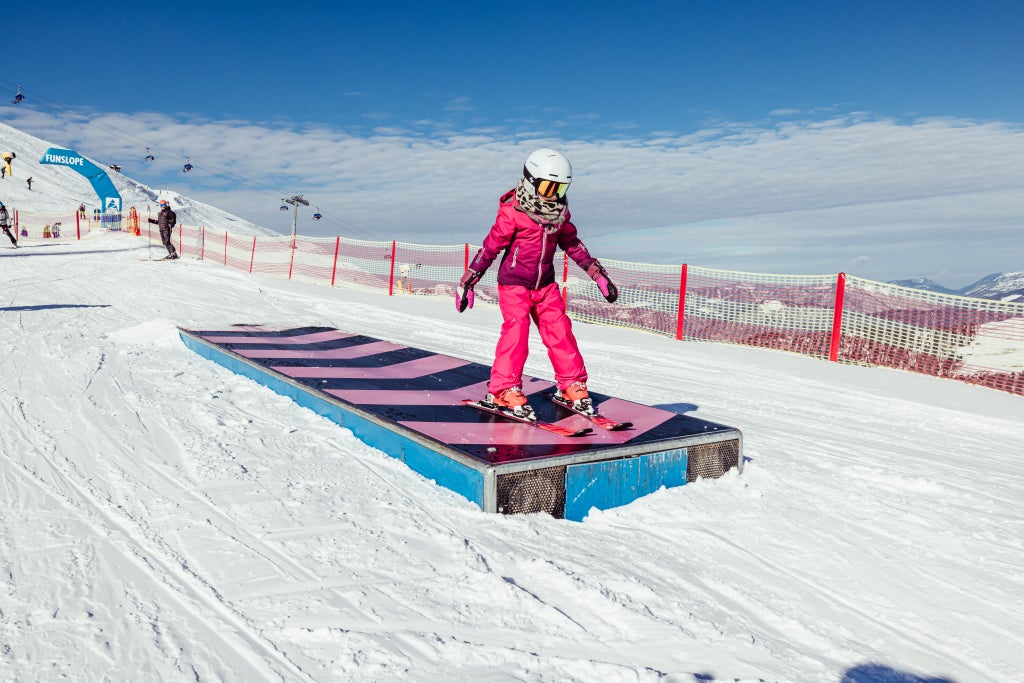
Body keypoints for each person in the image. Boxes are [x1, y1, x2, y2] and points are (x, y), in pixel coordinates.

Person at [456, 148, 618, 420]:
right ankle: (502, 389)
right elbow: (490, 248)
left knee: (560, 330)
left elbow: (573, 244)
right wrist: (468, 281)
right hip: (514, 285)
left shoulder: (560, 214)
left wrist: (596, 272)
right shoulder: (512, 213)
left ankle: (571, 384)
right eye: (548, 186)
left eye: (560, 188)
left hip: (545, 285)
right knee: (516, 333)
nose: (553, 194)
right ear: (531, 181)